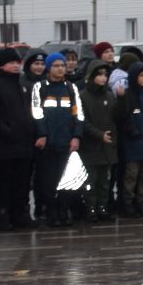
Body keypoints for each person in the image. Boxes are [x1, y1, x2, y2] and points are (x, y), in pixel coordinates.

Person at [0, 49, 36, 232]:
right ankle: (2, 215)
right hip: (2, 146)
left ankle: (21, 214)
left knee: (22, 183)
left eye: (18, 62)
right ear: (2, 65)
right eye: (12, 62)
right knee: (2, 183)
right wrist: (6, 130)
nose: (16, 65)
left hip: (24, 145)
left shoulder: (22, 85)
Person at [30, 52, 84, 226]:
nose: (60, 68)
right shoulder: (40, 87)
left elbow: (78, 114)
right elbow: (37, 112)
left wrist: (76, 136)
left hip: (67, 142)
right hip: (48, 143)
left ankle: (63, 210)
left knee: (66, 178)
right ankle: (51, 212)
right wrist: (42, 134)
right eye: (56, 65)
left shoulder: (71, 87)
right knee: (48, 179)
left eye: (62, 65)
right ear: (49, 67)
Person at [114, 64, 143, 217]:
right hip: (133, 144)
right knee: (131, 176)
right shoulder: (128, 95)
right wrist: (131, 131)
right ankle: (128, 203)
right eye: (141, 76)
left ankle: (142, 202)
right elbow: (122, 118)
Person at [77, 60, 119, 223]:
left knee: (104, 181)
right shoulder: (82, 96)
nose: (103, 78)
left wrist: (111, 137)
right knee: (90, 181)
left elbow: (115, 119)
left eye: (105, 75)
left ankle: (102, 207)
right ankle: (90, 208)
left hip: (107, 146)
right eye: (100, 74)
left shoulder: (109, 95)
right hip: (90, 146)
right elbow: (83, 121)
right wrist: (98, 134)